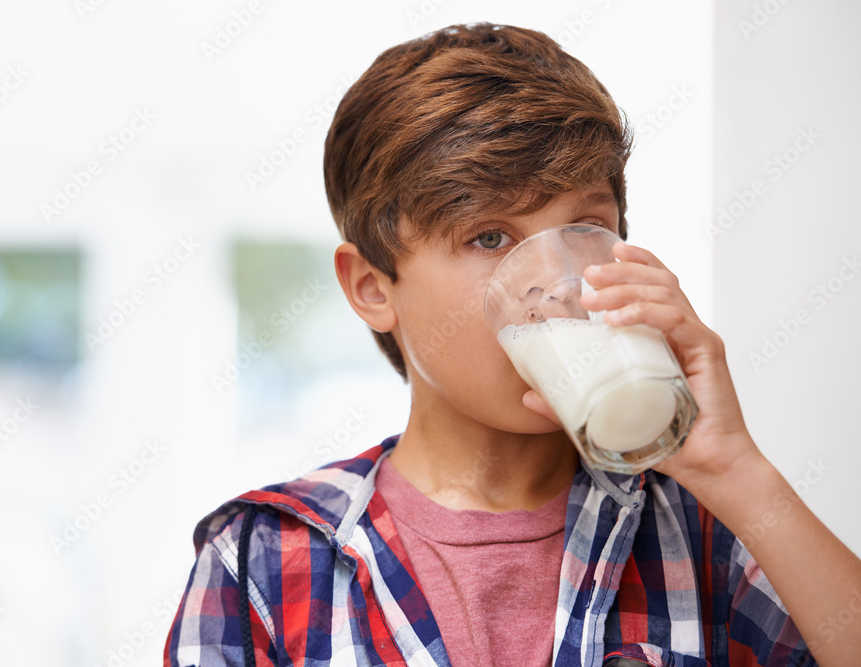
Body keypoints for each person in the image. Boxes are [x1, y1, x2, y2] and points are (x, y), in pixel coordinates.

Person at [165, 22, 861, 666]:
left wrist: (734, 468)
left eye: (583, 230)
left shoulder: (707, 532)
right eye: (489, 238)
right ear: (373, 286)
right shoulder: (259, 560)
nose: (555, 286)